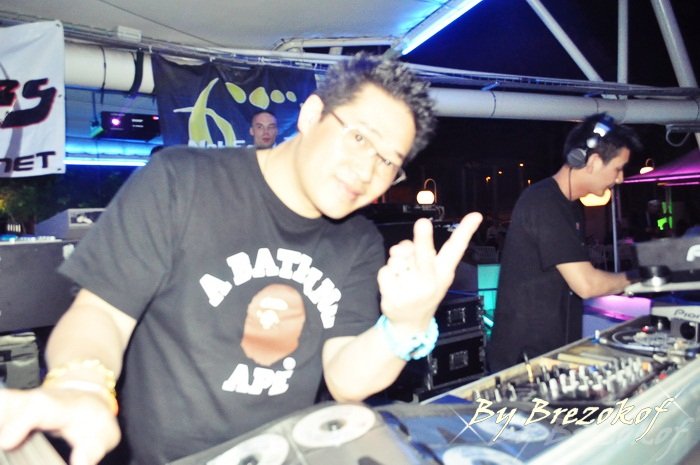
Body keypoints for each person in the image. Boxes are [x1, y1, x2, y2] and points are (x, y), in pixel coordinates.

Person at [0, 53, 482, 465]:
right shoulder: (182, 181)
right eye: (359, 138)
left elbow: (345, 379)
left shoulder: (357, 242)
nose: (367, 170)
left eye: (388, 161)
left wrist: (405, 325)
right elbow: (102, 312)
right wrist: (82, 384)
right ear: (313, 114)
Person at [486, 113, 642, 372]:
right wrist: (639, 278)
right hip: (523, 362)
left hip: (550, 355)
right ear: (593, 162)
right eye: (618, 168)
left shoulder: (568, 206)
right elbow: (586, 285)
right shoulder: (544, 202)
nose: (620, 179)